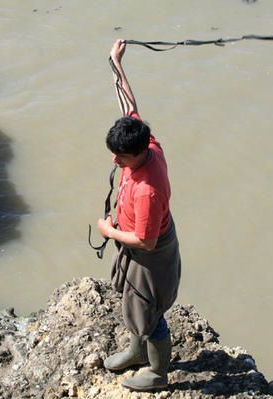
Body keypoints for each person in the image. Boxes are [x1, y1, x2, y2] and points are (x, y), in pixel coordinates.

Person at [96, 39, 182, 392]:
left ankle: (158, 373)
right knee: (134, 303)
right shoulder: (146, 142)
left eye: (121, 158)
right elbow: (130, 106)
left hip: (151, 252)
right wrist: (116, 63)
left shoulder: (148, 189)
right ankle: (137, 351)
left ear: (138, 153)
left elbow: (145, 240)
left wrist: (108, 230)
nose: (115, 161)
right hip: (138, 243)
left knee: (150, 312)